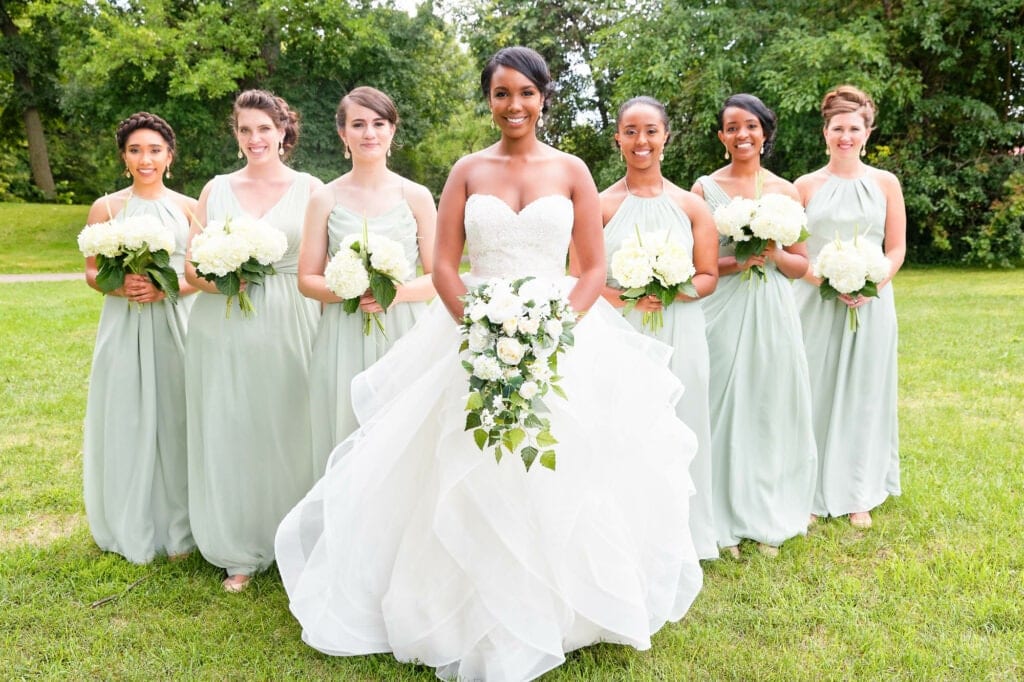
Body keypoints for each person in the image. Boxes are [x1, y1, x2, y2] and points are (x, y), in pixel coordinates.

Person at [276, 47, 702, 681]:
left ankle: (566, 606)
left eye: (525, 93)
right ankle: (462, 606)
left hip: (560, 336)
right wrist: (475, 324)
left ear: (544, 97)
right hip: (474, 331)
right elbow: (444, 264)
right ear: (489, 100)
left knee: (566, 463)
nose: (514, 106)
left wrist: (554, 330)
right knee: (466, 461)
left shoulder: (573, 171)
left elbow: (591, 269)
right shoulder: (468, 170)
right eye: (502, 94)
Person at [185, 90, 323, 592]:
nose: (254, 139)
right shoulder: (216, 188)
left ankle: (295, 538)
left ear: (284, 130)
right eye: (245, 130)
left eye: (264, 128)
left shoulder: (311, 189)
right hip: (221, 323)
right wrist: (221, 276)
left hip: (292, 318)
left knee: (290, 424)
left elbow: (323, 261)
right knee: (232, 426)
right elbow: (190, 269)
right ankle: (238, 549)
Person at [692, 93, 817, 557]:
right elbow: (697, 263)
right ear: (722, 136)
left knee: (768, 404)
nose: (741, 134)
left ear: (765, 131)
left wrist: (776, 255)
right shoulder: (704, 189)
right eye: (731, 127)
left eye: (750, 126)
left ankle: (766, 513)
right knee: (720, 402)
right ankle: (720, 513)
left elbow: (802, 265)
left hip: (772, 309)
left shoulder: (786, 192)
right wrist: (736, 263)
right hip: (722, 307)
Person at [595, 95, 720, 560]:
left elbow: (707, 277)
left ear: (666, 136)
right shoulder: (601, 205)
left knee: (685, 422)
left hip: (681, 327)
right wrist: (630, 296)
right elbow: (584, 277)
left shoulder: (691, 206)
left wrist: (669, 289)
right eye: (630, 131)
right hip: (621, 330)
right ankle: (627, 535)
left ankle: (687, 534)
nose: (640, 140)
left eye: (650, 130)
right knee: (623, 425)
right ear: (618, 139)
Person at [299, 86, 436, 475]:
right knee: (347, 434)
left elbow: (438, 277)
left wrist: (394, 294)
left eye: (378, 123)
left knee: (403, 437)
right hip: (343, 333)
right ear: (343, 134)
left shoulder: (417, 196)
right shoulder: (324, 198)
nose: (369, 133)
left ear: (392, 130)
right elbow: (307, 279)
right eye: (358, 124)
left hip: (404, 331)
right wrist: (349, 290)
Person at [82, 112, 198, 564]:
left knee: (176, 414)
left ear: (169, 156)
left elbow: (200, 271)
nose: (144, 159)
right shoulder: (106, 209)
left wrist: (164, 286)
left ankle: (181, 523)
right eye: (135, 150)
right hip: (124, 323)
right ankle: (129, 517)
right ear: (123, 157)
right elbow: (92, 272)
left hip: (175, 322)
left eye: (154, 150)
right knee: (127, 413)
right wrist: (120, 285)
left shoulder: (190, 208)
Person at [793, 85, 905, 529]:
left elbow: (895, 248)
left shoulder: (885, 183)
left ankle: (858, 490)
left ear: (867, 132)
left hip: (872, 303)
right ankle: (813, 491)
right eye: (837, 128)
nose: (845, 136)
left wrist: (870, 281)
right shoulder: (805, 186)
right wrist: (830, 281)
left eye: (854, 128)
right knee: (814, 392)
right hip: (815, 303)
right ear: (825, 132)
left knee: (864, 393)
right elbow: (796, 254)